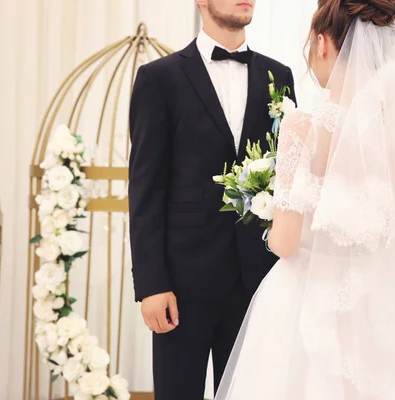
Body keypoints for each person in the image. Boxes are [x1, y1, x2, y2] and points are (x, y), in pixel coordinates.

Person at [214, 0, 395, 399]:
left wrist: (270, 214)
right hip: (376, 306)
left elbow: (286, 243)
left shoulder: (302, 126)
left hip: (305, 302)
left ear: (323, 43)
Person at [128, 0, 296, 399]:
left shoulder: (280, 76)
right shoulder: (158, 79)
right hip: (181, 286)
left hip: (259, 281)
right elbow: (145, 188)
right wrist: (151, 284)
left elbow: (290, 178)